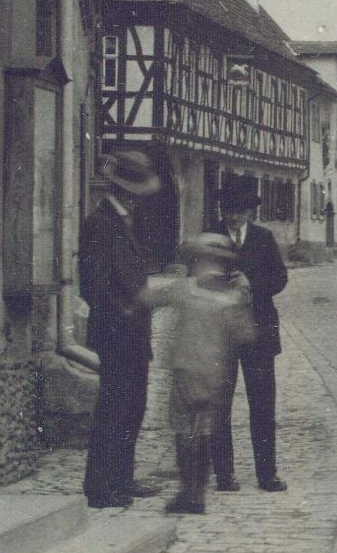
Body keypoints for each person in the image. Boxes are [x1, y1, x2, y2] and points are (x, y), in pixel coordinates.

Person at [80, 150, 165, 509]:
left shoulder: (127, 221)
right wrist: (131, 307)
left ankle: (122, 477)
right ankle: (100, 487)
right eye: (136, 192)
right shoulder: (100, 223)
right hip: (116, 332)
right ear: (125, 191)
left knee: (133, 407)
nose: (140, 199)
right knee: (113, 409)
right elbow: (94, 285)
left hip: (134, 333)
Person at [157, 233, 257, 515]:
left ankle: (189, 492)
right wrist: (243, 294)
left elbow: (148, 298)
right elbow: (246, 335)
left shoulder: (184, 289)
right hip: (215, 375)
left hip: (185, 372)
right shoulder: (231, 298)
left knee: (183, 431)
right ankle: (197, 493)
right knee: (204, 432)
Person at [212, 184, 291, 493]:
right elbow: (195, 279)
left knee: (262, 404)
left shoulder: (263, 238)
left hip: (258, 332)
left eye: (240, 211)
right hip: (221, 333)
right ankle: (224, 474)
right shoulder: (210, 238)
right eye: (229, 211)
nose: (234, 217)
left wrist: (251, 283)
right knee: (220, 404)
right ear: (222, 211)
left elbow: (280, 278)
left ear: (249, 212)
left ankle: (267, 473)